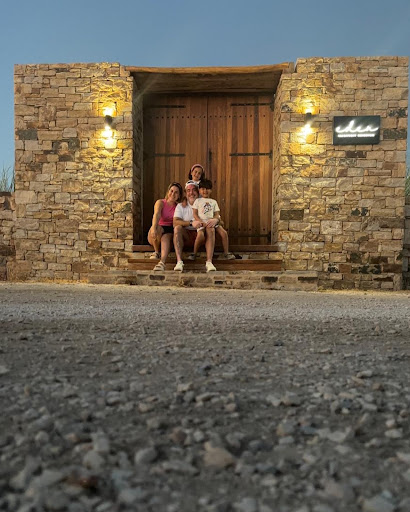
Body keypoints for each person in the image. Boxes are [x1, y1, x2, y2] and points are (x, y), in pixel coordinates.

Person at [192, 179, 235, 272]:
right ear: (199, 190)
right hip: (201, 222)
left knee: (223, 233)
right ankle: (194, 253)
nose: (205, 191)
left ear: (211, 190)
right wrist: (200, 221)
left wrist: (215, 220)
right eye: (203, 189)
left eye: (207, 189)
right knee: (200, 235)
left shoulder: (213, 201)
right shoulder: (197, 201)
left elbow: (216, 214)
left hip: (212, 221)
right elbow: (195, 213)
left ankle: (226, 253)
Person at [148, 182, 183, 271]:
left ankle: (162, 262)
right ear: (168, 192)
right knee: (158, 228)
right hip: (159, 227)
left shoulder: (178, 206)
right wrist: (154, 227)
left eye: (176, 192)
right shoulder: (161, 202)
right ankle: (156, 251)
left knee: (166, 237)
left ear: (179, 196)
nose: (173, 194)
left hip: (170, 229)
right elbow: (157, 214)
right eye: (171, 191)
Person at [172, 180, 203, 272]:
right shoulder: (181, 206)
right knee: (177, 228)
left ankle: (209, 262)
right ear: (186, 193)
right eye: (188, 191)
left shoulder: (204, 204)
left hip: (201, 234)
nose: (191, 193)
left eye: (194, 190)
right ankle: (179, 261)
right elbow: (175, 222)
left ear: (198, 192)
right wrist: (190, 223)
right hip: (187, 235)